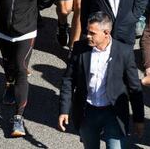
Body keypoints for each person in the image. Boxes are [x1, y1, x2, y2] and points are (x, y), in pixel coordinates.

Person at [59, 11, 144, 148]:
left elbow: (134, 88)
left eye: (93, 33)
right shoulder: (80, 48)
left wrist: (138, 119)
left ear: (106, 33)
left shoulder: (124, 52)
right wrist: (64, 110)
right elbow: (68, 80)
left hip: (114, 113)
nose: (88, 36)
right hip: (88, 112)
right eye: (88, 31)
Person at [0, 0, 53, 137]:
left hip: (26, 31)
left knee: (21, 68)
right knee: (8, 65)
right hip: (2, 31)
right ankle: (8, 84)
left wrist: (33, 13)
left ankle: (18, 117)